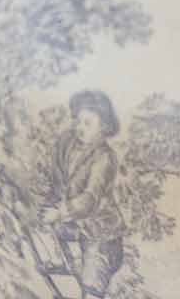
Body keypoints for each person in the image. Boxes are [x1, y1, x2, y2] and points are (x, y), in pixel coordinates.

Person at [37, 90, 126, 298]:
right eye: (77, 121)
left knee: (92, 283)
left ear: (103, 127)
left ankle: (89, 286)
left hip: (102, 235)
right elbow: (58, 184)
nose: (80, 127)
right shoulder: (68, 145)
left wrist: (59, 213)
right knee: (39, 230)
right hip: (76, 226)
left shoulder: (104, 157)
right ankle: (62, 263)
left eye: (88, 123)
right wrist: (48, 208)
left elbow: (90, 199)